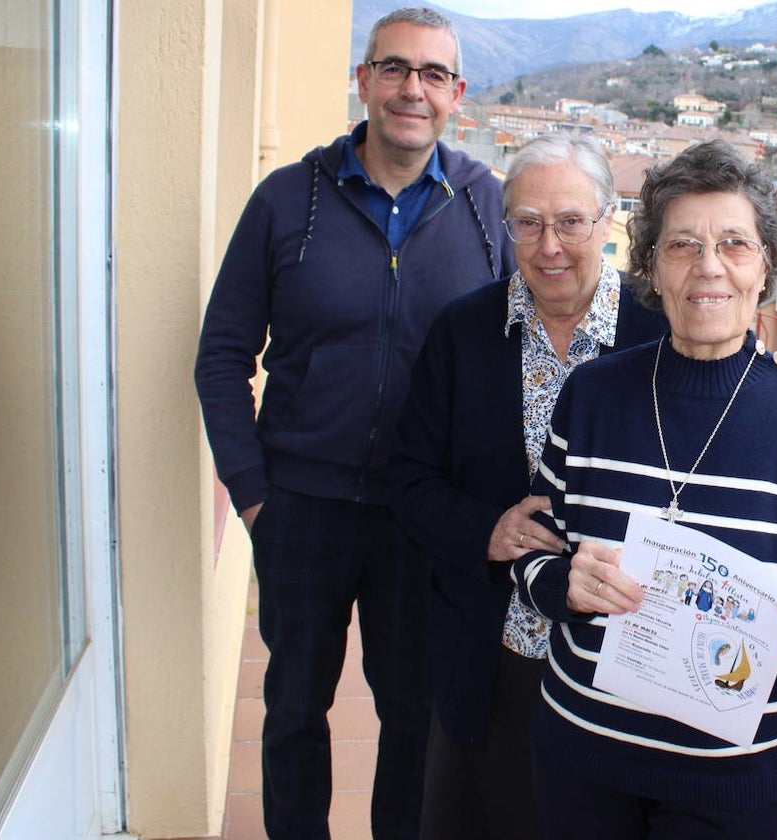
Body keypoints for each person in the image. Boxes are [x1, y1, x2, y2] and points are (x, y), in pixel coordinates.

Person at [511, 138, 777, 840]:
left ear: (766, 266)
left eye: (734, 245)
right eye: (682, 246)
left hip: (734, 782)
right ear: (652, 266)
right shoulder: (592, 395)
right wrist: (560, 582)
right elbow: (533, 552)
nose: (708, 267)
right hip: (582, 755)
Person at [193, 9, 514, 839]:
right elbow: (222, 355)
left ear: (457, 96)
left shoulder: (488, 208)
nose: (414, 89)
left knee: (414, 715)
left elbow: (554, 322)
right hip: (302, 506)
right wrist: (254, 494)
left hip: (424, 515)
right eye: (395, 69)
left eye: (433, 75)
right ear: (363, 80)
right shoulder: (287, 200)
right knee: (295, 705)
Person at [388, 133, 667, 840]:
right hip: (495, 655)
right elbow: (409, 479)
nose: (550, 245)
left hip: (626, 667)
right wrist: (486, 528)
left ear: (609, 223)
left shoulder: (662, 336)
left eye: (571, 221)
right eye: (528, 222)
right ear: (506, 225)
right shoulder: (460, 332)